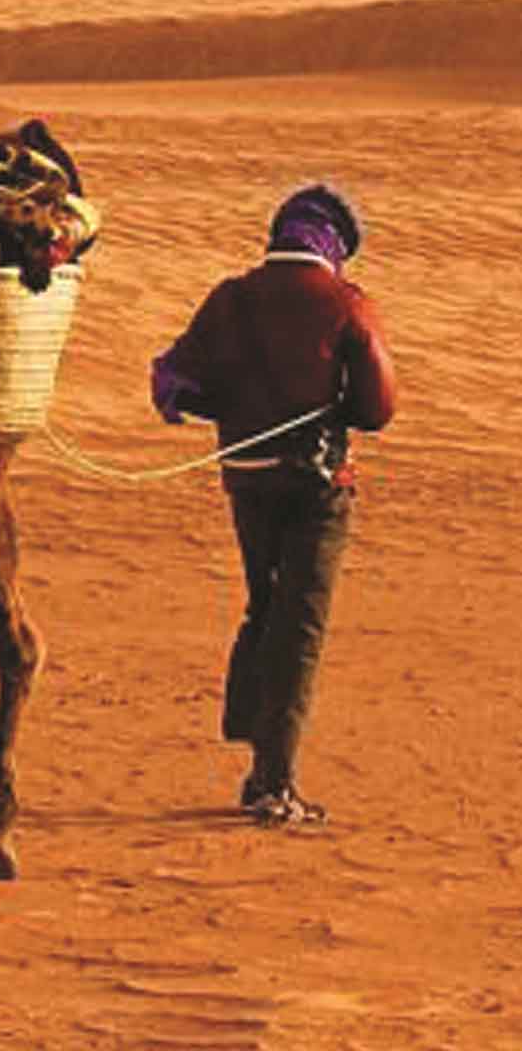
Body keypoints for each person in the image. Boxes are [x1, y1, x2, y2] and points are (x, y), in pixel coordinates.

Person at [149, 184, 399, 829]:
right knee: (301, 626)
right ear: (335, 245)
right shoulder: (345, 303)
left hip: (247, 479)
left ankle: (255, 743)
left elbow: (180, 379)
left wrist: (239, 412)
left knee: (266, 603)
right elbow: (377, 410)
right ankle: (273, 783)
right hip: (316, 488)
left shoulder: (229, 299)